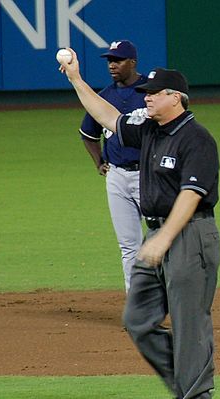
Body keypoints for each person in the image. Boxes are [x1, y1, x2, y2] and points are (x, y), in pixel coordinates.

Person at [58, 51, 220, 399]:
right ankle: (186, 381)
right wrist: (75, 79)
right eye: (146, 90)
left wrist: (163, 240)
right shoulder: (149, 129)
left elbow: (191, 196)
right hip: (158, 235)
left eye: (154, 92)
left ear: (175, 97)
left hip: (190, 236)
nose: (146, 96)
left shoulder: (197, 139)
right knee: (137, 320)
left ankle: (196, 393)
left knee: (190, 324)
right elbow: (108, 117)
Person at [79, 40, 147, 293]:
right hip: (117, 176)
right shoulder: (105, 96)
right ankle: (137, 307)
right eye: (109, 61)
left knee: (163, 239)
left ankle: (169, 299)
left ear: (133, 62)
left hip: (149, 176)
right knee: (129, 246)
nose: (112, 65)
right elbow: (88, 134)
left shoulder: (151, 92)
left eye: (117, 60)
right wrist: (99, 162)